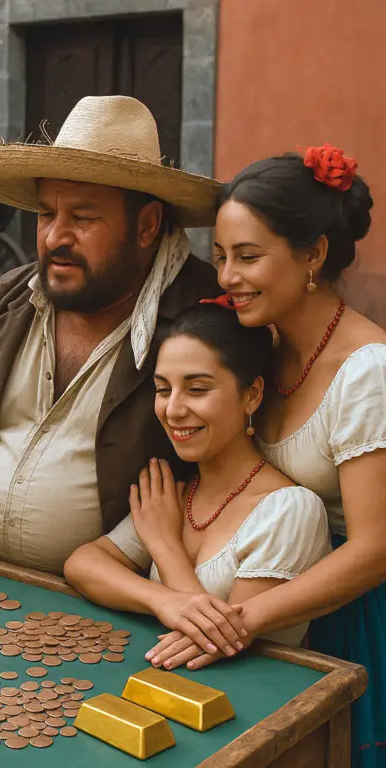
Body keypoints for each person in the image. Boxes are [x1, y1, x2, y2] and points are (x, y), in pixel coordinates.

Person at [0, 96, 220, 584]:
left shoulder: (205, 319)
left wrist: (114, 558)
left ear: (146, 226)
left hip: (120, 608)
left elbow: (222, 476)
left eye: (82, 218)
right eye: (45, 214)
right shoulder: (3, 300)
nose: (56, 236)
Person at [142, 146, 386, 767]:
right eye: (221, 257)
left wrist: (237, 622)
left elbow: (374, 548)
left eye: (249, 257)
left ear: (313, 254)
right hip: (261, 589)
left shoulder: (367, 373)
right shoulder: (259, 344)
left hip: (342, 607)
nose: (227, 277)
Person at [64, 302, 331, 650]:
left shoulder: (289, 511)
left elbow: (220, 638)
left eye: (197, 389)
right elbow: (83, 564)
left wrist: (164, 547)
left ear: (251, 395)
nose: (173, 410)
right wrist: (162, 602)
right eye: (163, 389)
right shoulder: (176, 492)